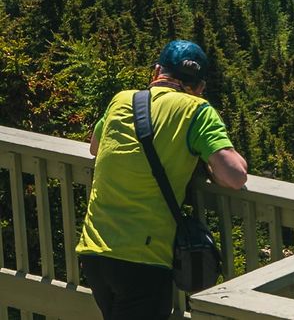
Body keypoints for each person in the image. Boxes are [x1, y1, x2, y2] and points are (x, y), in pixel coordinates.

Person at [75, 40, 249, 319]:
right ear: (200, 87)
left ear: (157, 72)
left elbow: (95, 147)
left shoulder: (122, 99)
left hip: (95, 249)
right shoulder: (197, 110)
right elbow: (235, 176)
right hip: (143, 257)